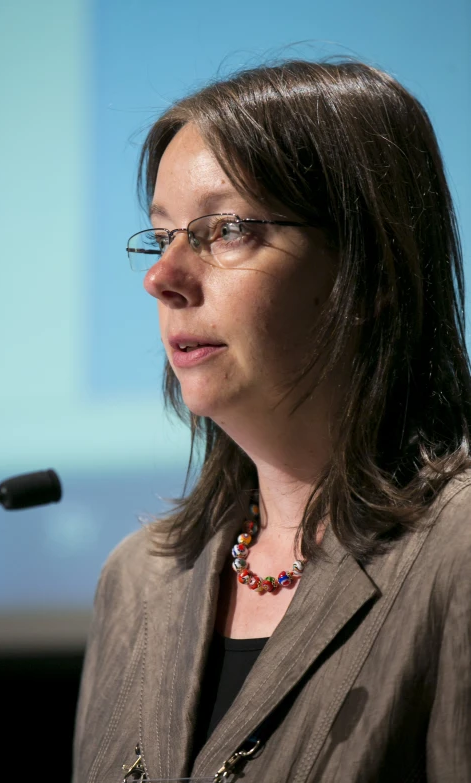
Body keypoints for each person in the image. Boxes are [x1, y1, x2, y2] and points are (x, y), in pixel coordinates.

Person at [72, 58, 471, 782]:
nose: (161, 277)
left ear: (367, 267)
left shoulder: (459, 554)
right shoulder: (140, 580)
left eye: (223, 230)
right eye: (163, 236)